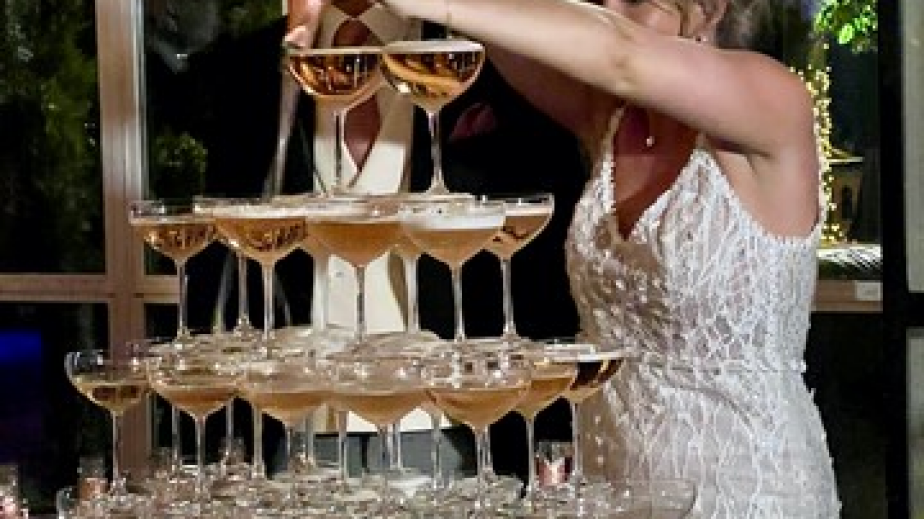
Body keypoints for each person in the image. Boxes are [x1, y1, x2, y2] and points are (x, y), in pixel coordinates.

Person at [283, 0, 840, 515]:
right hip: (610, 484)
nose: (606, 10)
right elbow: (504, 27)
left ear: (707, 10)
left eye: (633, 1)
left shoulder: (773, 98)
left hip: (745, 486)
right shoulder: (609, 119)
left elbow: (619, 53)